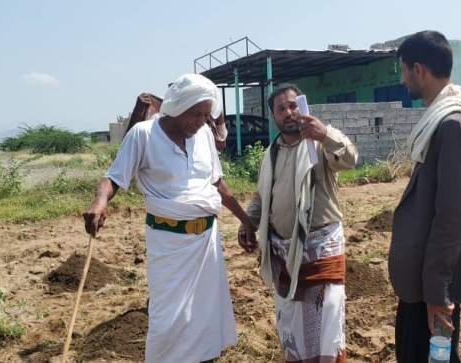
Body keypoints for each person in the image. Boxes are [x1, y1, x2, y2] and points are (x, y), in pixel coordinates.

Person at [83, 74, 254, 363]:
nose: (201, 121)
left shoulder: (203, 137)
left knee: (204, 312)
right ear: (176, 107)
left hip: (206, 242)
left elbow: (218, 184)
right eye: (195, 113)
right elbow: (113, 178)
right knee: (167, 318)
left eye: (205, 115)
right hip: (168, 243)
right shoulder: (144, 135)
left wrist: (245, 219)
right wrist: (99, 203)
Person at [386, 31, 461, 363]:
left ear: (418, 69)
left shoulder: (452, 126)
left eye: (403, 71)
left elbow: (453, 215)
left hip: (430, 290)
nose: (402, 80)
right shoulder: (441, 121)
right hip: (419, 286)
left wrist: (437, 292)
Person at [239, 84, 358, 362]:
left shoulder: (317, 145)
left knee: (326, 325)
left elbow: (350, 159)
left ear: (302, 107)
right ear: (273, 116)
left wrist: (326, 133)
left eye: (293, 105)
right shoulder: (271, 154)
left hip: (321, 252)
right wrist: (248, 223)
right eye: (281, 108)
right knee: (293, 328)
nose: (289, 112)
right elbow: (261, 196)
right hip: (284, 255)